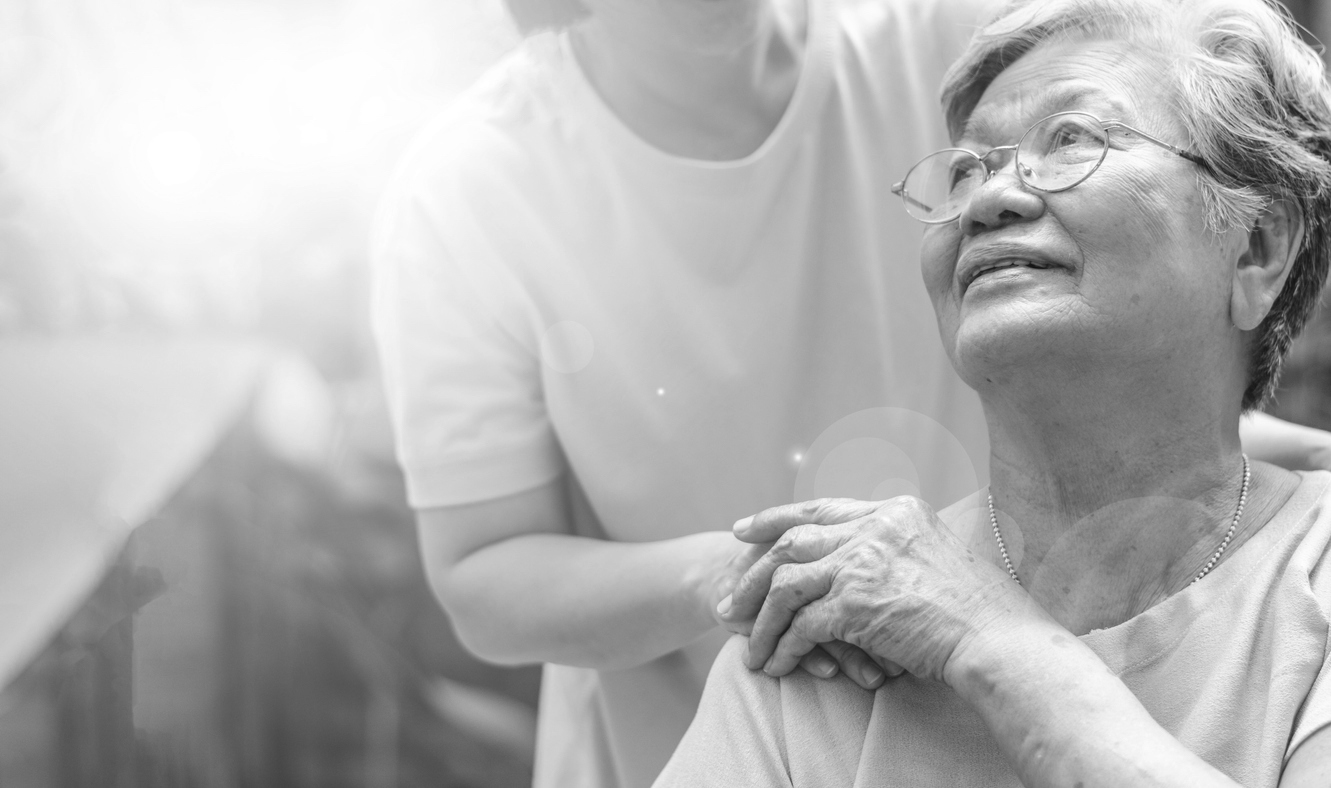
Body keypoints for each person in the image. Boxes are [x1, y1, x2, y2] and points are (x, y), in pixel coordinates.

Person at [370, 0, 1331, 785]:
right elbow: (485, 569)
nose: (992, 193)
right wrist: (778, 571)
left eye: (1068, 138)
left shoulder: (944, 41)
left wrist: (1234, 458)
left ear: (1259, 248)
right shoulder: (473, 186)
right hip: (787, 666)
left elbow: (1144, 313)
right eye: (965, 170)